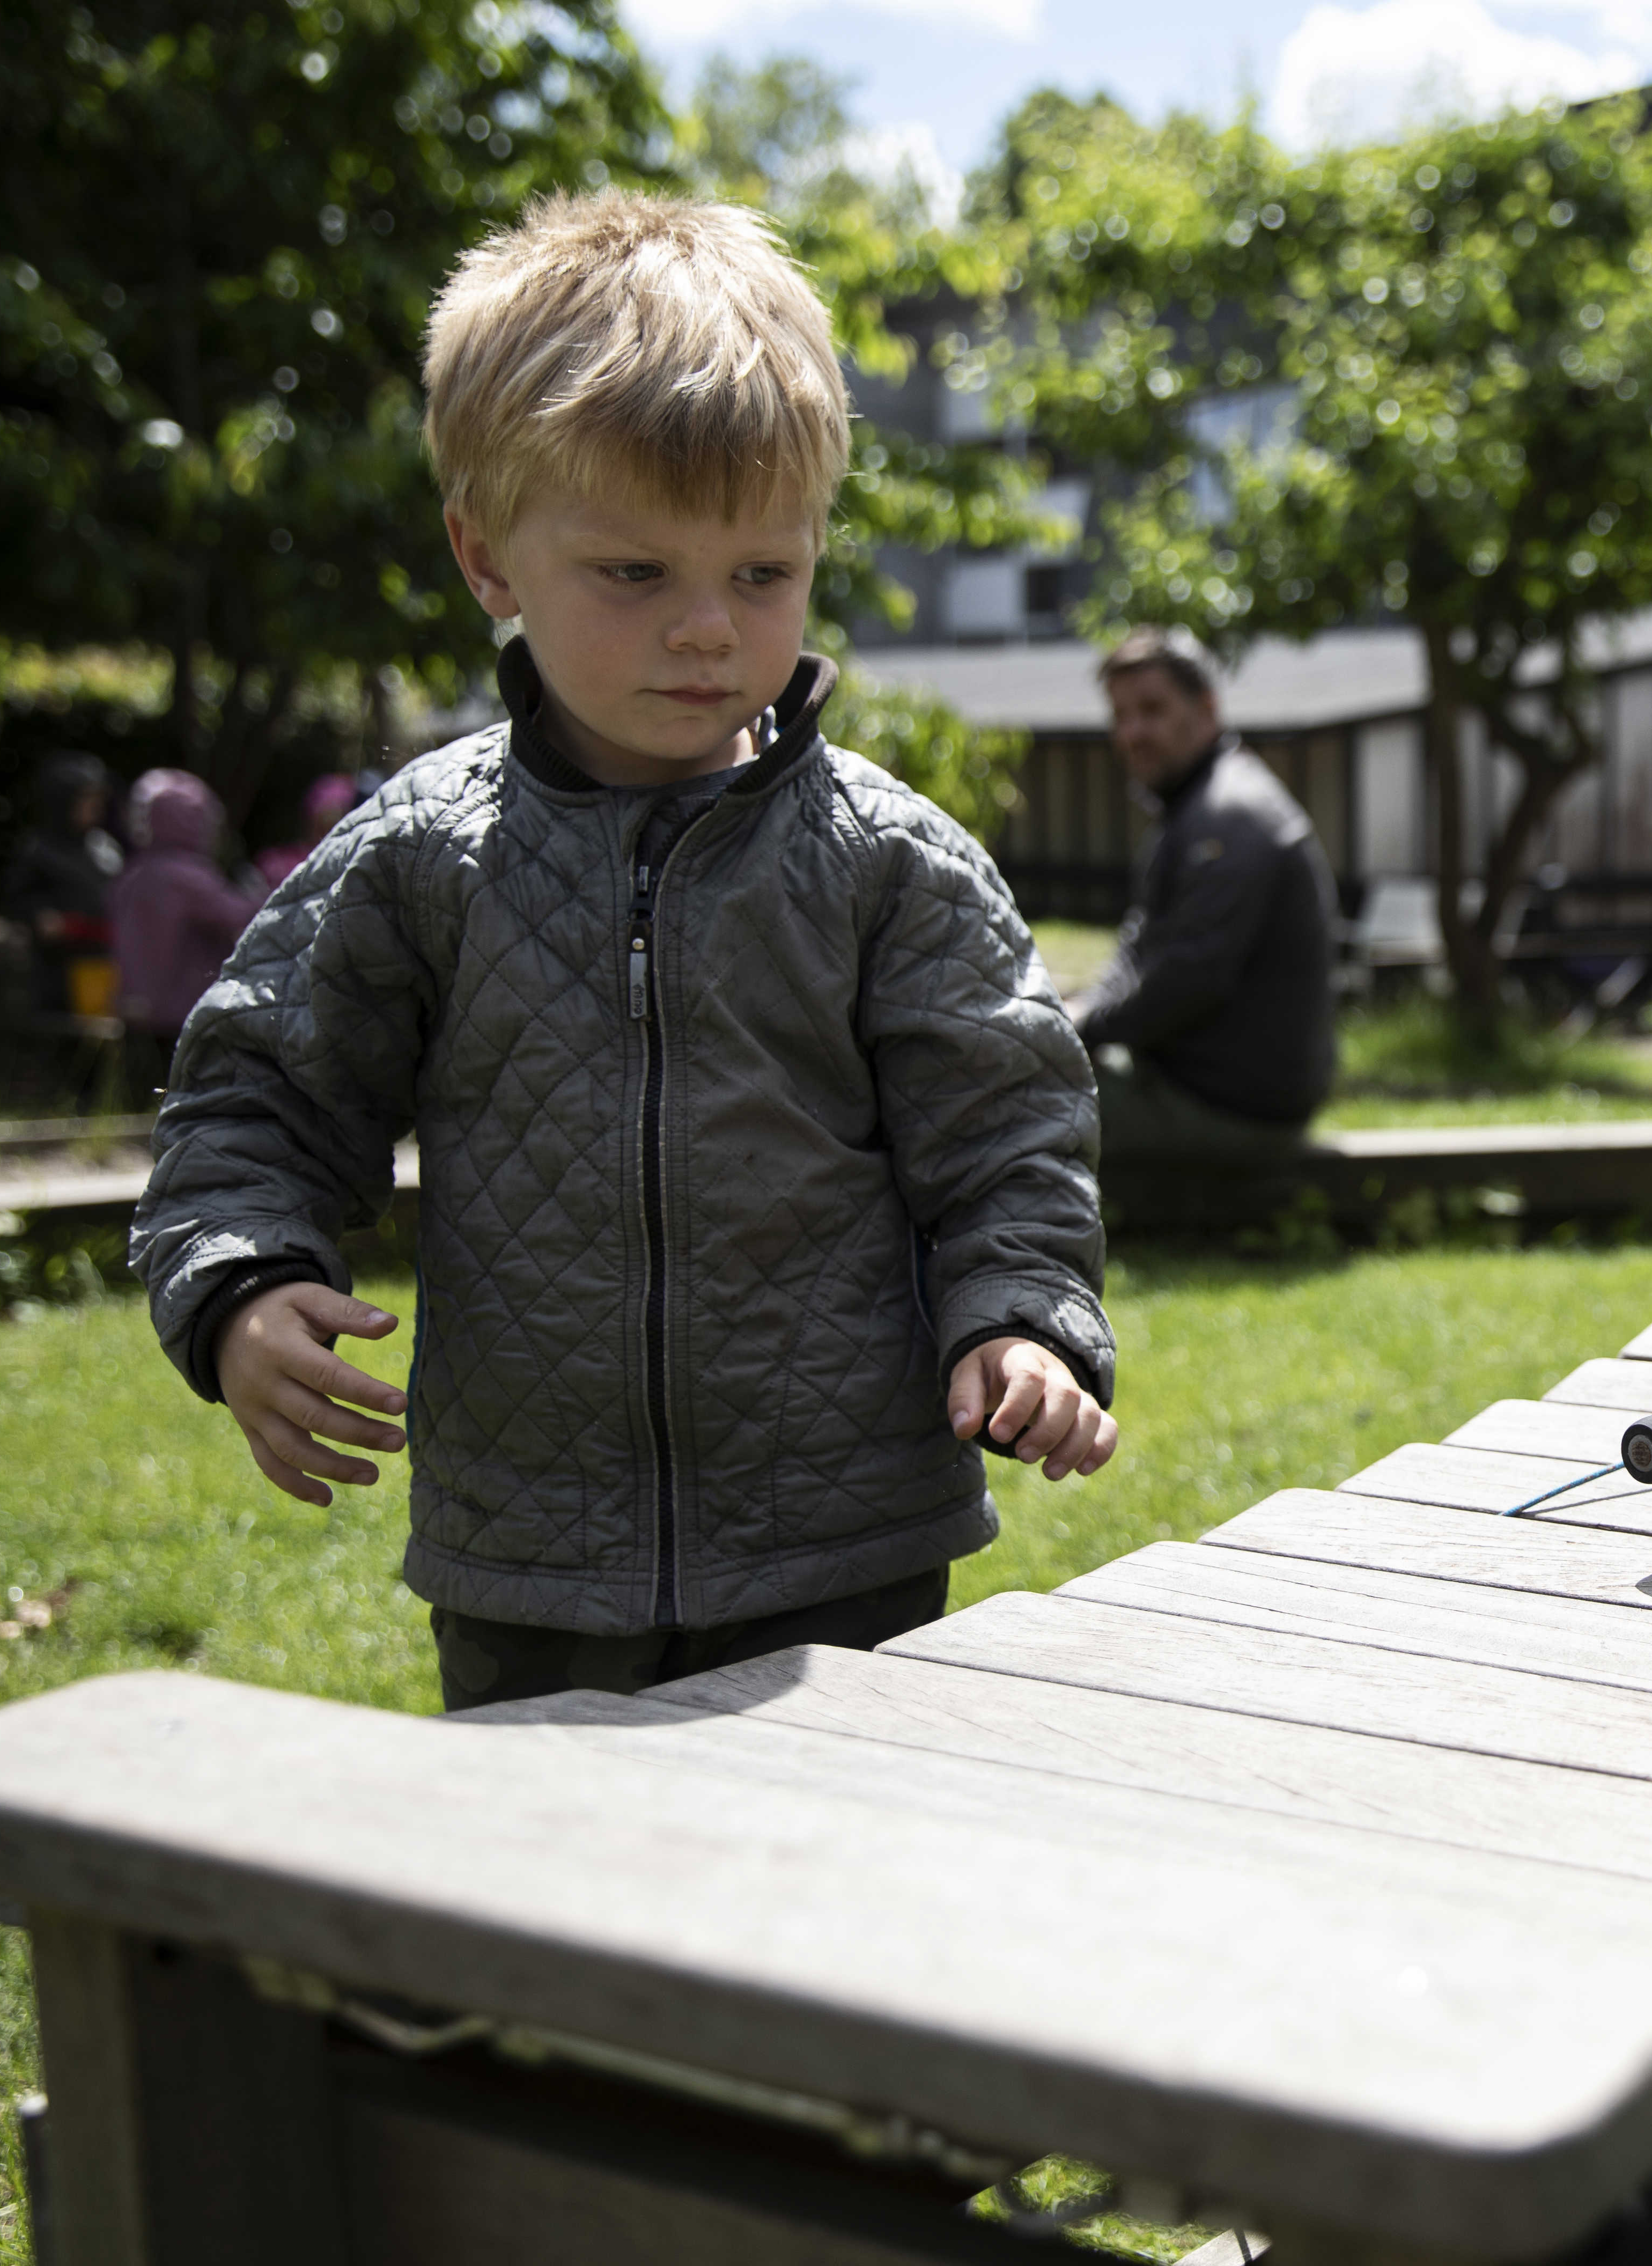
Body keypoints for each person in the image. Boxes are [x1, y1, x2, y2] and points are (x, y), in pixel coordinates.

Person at [129, 189, 1118, 1712]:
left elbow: (1007, 1139)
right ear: (489, 560)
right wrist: (242, 1286)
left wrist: (1022, 1319)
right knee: (550, 1922)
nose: (708, 630)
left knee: (825, 1921)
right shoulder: (423, 853)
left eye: (761, 574)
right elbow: (255, 1098)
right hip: (532, 1552)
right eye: (635, 574)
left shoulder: (890, 866)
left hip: (844, 1541)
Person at [1075, 628, 1339, 1163]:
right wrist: (1083, 1014)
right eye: (1120, 716)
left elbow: (1187, 978)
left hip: (1234, 1110)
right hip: (1208, 1090)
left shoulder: (1229, 815)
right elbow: (1139, 947)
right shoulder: (1195, 808)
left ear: (1207, 709)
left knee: (1019, 1104)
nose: (1132, 733)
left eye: (1152, 710)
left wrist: (1081, 1028)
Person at [107, 768, 262, 1068]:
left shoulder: (132, 874)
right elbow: (238, 916)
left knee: (140, 1080)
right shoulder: (191, 877)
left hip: (135, 1003)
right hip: (182, 1006)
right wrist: (261, 894)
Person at [0, 753, 122, 1018]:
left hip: (103, 959)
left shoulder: (105, 848)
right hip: (57, 966)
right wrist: (39, 917)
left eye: (99, 798)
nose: (96, 806)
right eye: (87, 798)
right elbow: (17, 900)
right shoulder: (39, 851)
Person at [253, 770, 372, 891]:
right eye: (324, 814)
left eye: (339, 815)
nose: (329, 821)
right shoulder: (275, 864)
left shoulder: (354, 873)